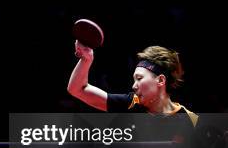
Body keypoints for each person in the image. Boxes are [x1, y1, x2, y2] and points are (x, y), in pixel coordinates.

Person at [68, 41, 196, 121]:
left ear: (161, 80)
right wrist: (86, 59)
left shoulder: (191, 120)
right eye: (134, 79)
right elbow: (78, 89)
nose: (134, 86)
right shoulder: (131, 103)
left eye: (139, 78)